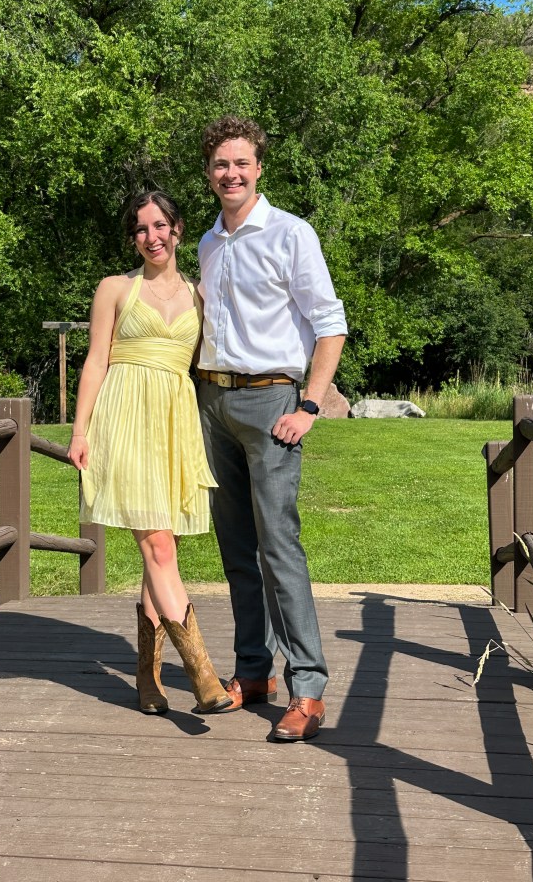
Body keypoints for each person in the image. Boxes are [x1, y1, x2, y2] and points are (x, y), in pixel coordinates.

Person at [196, 115, 348, 741]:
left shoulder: (291, 234)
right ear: (210, 174)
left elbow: (330, 323)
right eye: (220, 165)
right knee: (234, 547)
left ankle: (307, 687)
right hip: (212, 403)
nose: (231, 174)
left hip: (273, 404)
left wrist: (308, 406)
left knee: (278, 544)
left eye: (241, 163)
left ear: (259, 167)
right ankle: (252, 671)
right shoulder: (207, 242)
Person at [68, 191, 232, 716]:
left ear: (179, 229)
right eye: (141, 229)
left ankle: (147, 678)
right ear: (132, 238)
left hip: (174, 422)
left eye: (160, 225)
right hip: (124, 417)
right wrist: (80, 430)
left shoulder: (202, 295)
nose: (152, 237)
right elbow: (95, 361)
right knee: (159, 547)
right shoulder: (115, 289)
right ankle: (203, 675)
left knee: (160, 550)